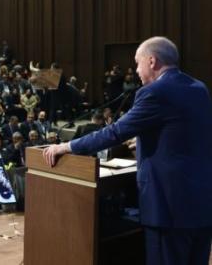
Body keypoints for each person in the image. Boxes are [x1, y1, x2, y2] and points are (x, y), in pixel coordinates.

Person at [43, 37, 212, 265]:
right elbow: (182, 136)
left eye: (137, 63)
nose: (136, 70)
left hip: (168, 208)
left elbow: (114, 133)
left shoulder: (155, 92)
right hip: (201, 205)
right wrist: (142, 142)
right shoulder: (199, 88)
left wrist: (66, 146)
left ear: (152, 61)